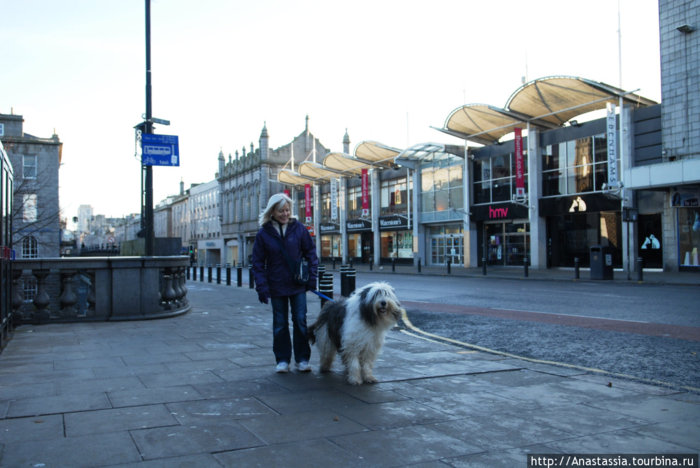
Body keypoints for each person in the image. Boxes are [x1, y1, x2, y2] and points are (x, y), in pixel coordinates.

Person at [251, 193, 318, 373]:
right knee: (280, 323)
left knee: (300, 321)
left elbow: (311, 254)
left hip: (297, 284)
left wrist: (312, 278)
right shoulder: (264, 233)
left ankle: (303, 359)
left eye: (287, 210)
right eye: (281, 211)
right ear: (272, 211)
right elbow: (257, 262)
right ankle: (282, 360)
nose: (285, 214)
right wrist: (262, 287)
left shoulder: (299, 229)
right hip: (276, 285)